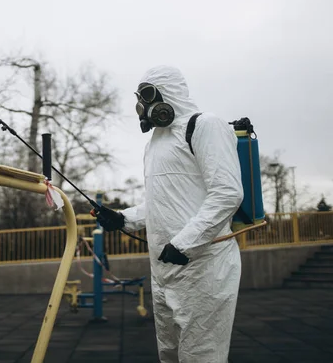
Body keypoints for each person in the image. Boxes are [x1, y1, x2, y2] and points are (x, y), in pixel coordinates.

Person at [96, 65, 244, 363]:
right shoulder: (154, 145)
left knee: (202, 356)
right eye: (141, 97)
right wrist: (124, 218)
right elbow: (160, 201)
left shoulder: (205, 126)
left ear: (170, 92)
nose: (144, 106)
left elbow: (228, 192)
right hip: (164, 269)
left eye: (149, 94)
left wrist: (186, 243)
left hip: (204, 266)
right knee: (170, 354)